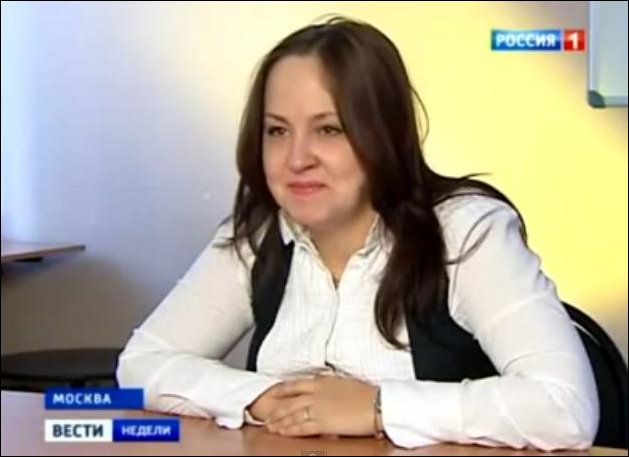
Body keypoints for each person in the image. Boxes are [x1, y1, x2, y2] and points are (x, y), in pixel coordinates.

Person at [117, 17, 598, 450]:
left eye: (329, 130)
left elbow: (564, 408)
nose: (297, 158)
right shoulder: (257, 235)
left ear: (382, 133)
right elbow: (142, 363)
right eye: (277, 131)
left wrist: (378, 407)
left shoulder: (466, 232)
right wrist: (262, 396)